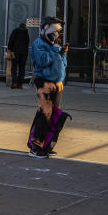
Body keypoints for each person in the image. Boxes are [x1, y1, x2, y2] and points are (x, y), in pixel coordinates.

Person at [28, 17, 68, 158]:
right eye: (55, 32)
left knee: (53, 115)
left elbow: (62, 65)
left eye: (58, 32)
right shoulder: (39, 43)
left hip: (56, 84)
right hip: (43, 82)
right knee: (45, 114)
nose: (57, 35)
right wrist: (56, 51)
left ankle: (45, 145)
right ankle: (35, 147)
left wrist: (62, 53)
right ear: (46, 31)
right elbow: (42, 61)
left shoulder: (54, 44)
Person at [7, 22, 30, 89]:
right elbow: (27, 42)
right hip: (24, 53)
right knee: (22, 68)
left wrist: (10, 49)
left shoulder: (15, 31)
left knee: (14, 68)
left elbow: (11, 41)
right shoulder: (26, 32)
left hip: (16, 52)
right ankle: (20, 84)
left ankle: (14, 83)